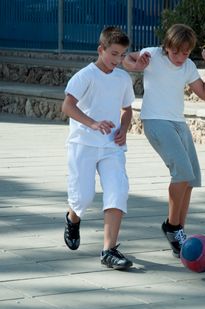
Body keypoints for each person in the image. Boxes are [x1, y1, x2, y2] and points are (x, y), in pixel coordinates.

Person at [123, 23, 205, 258]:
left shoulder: (188, 66)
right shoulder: (153, 54)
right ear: (167, 46)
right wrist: (137, 65)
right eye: (176, 52)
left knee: (192, 177)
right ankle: (172, 227)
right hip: (156, 121)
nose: (180, 57)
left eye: (185, 53)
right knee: (182, 173)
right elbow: (125, 59)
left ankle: (179, 232)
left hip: (178, 124)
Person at [62, 26, 135, 270]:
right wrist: (93, 123)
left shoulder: (123, 78)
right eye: (114, 54)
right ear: (101, 49)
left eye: (123, 55)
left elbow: (127, 109)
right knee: (83, 197)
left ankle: (109, 250)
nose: (118, 60)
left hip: (111, 145)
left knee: (118, 191)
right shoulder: (85, 76)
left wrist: (124, 128)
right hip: (82, 143)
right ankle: (73, 218)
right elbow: (68, 107)